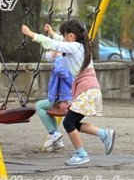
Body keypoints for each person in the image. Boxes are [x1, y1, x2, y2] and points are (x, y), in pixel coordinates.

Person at [20, 20, 115, 166]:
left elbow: (55, 45)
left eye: (64, 36)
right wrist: (52, 33)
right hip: (88, 89)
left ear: (71, 36)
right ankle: (104, 134)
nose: (63, 38)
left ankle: (81, 154)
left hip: (87, 90)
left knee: (69, 122)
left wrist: (31, 34)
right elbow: (59, 42)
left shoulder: (75, 47)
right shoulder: (80, 45)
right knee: (74, 123)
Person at [34, 23, 74, 151]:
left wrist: (57, 59)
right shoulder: (72, 55)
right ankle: (56, 139)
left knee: (39, 106)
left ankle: (53, 133)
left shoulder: (62, 60)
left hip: (62, 97)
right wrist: (51, 33)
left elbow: (64, 74)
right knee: (48, 110)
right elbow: (61, 41)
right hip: (62, 95)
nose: (51, 53)